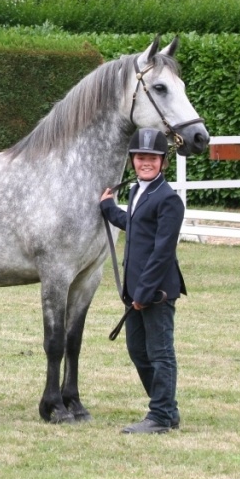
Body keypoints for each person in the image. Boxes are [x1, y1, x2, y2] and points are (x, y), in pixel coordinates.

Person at [99, 128, 187, 434]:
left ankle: (160, 415)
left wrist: (144, 293)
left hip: (156, 292)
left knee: (161, 353)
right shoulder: (138, 192)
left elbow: (162, 251)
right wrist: (110, 208)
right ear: (133, 161)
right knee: (138, 351)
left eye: (151, 158)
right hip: (135, 290)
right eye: (140, 158)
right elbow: (135, 226)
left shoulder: (169, 200)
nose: (145, 163)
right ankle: (168, 408)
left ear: (162, 162)